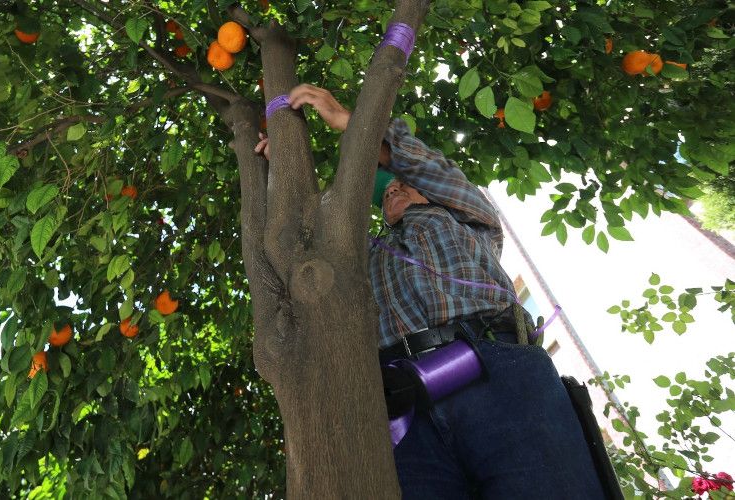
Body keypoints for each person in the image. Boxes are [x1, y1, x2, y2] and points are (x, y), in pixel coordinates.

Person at [257, 84, 607, 499]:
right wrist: (279, 173)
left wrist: (351, 123)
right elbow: (302, 254)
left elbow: (430, 168)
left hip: (499, 373)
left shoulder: (469, 219)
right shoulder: (363, 259)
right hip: (402, 406)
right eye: (385, 193)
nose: (393, 189)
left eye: (402, 184)